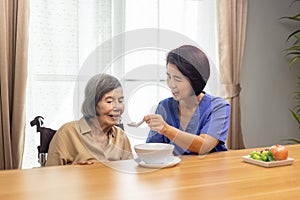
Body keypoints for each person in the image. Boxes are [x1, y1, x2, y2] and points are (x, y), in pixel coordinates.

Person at [144, 45, 230, 156]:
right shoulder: (164, 106)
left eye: (177, 79)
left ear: (195, 81)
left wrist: (166, 129)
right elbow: (153, 149)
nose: (171, 84)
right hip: (175, 171)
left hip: (209, 171)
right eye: (169, 76)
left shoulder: (218, 107)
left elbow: (204, 146)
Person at [45, 73, 133, 166]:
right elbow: (50, 176)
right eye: (109, 101)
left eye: (120, 101)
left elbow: (129, 173)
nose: (117, 107)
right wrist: (71, 171)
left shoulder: (121, 137)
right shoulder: (67, 133)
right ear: (92, 104)